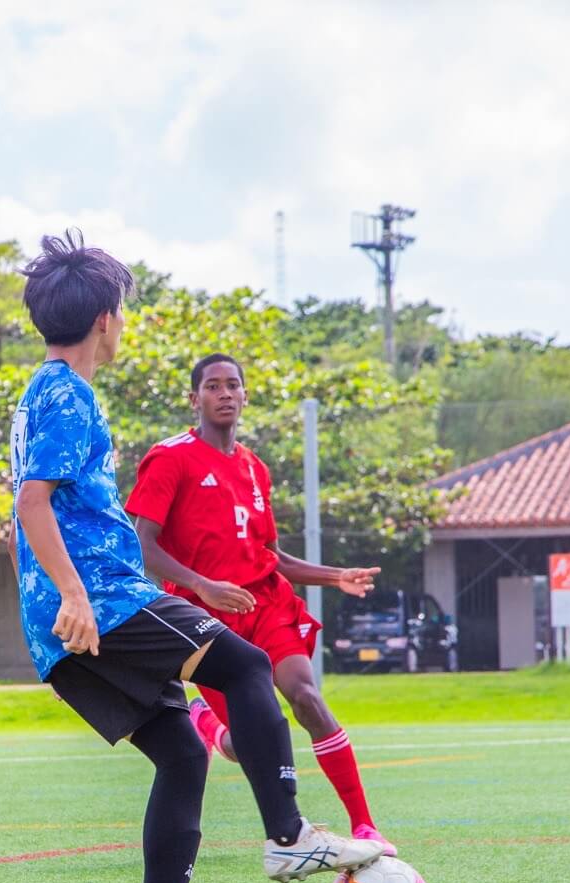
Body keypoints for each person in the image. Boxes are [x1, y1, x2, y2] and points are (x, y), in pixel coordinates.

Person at [7, 231, 382, 883]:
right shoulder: (69, 394)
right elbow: (31, 502)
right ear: (105, 319)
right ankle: (288, 836)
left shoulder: (39, 393)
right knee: (246, 666)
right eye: (122, 311)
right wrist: (75, 593)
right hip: (104, 600)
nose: (123, 323)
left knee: (183, 753)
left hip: (66, 618)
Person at [126, 353, 392, 854]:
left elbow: (270, 556)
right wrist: (202, 585)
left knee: (306, 696)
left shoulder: (254, 468)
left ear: (245, 395)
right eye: (213, 386)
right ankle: (210, 726)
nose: (224, 393)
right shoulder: (170, 458)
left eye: (233, 385)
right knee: (250, 741)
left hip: (264, 604)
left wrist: (334, 576)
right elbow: (142, 545)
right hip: (204, 618)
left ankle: (365, 826)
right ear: (194, 398)